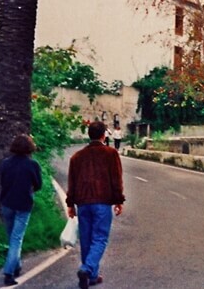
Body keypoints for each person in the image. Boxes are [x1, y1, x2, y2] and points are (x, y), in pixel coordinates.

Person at [66, 121, 125, 289]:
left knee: (86, 238)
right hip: (102, 202)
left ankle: (91, 276)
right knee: (99, 238)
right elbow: (116, 179)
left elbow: (72, 182)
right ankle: (87, 268)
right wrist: (119, 200)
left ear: (89, 135)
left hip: (83, 203)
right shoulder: (110, 153)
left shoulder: (76, 157)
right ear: (103, 135)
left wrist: (70, 204)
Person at [0, 134, 42, 287]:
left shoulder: (5, 163)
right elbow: (38, 185)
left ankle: (16, 266)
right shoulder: (33, 165)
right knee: (17, 239)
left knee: (11, 237)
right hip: (23, 204)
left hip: (7, 203)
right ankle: (9, 272)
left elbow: (2, 181)